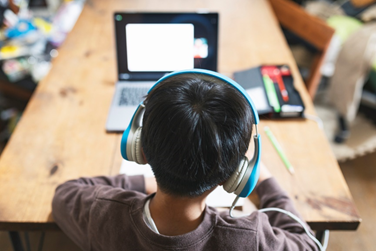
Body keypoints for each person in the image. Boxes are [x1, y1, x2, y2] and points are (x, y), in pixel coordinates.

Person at [52, 74, 318, 250]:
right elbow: (306, 244)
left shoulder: (104, 214)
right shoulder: (249, 239)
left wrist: (141, 182)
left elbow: (64, 194)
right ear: (237, 175)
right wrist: (266, 181)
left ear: (139, 149)